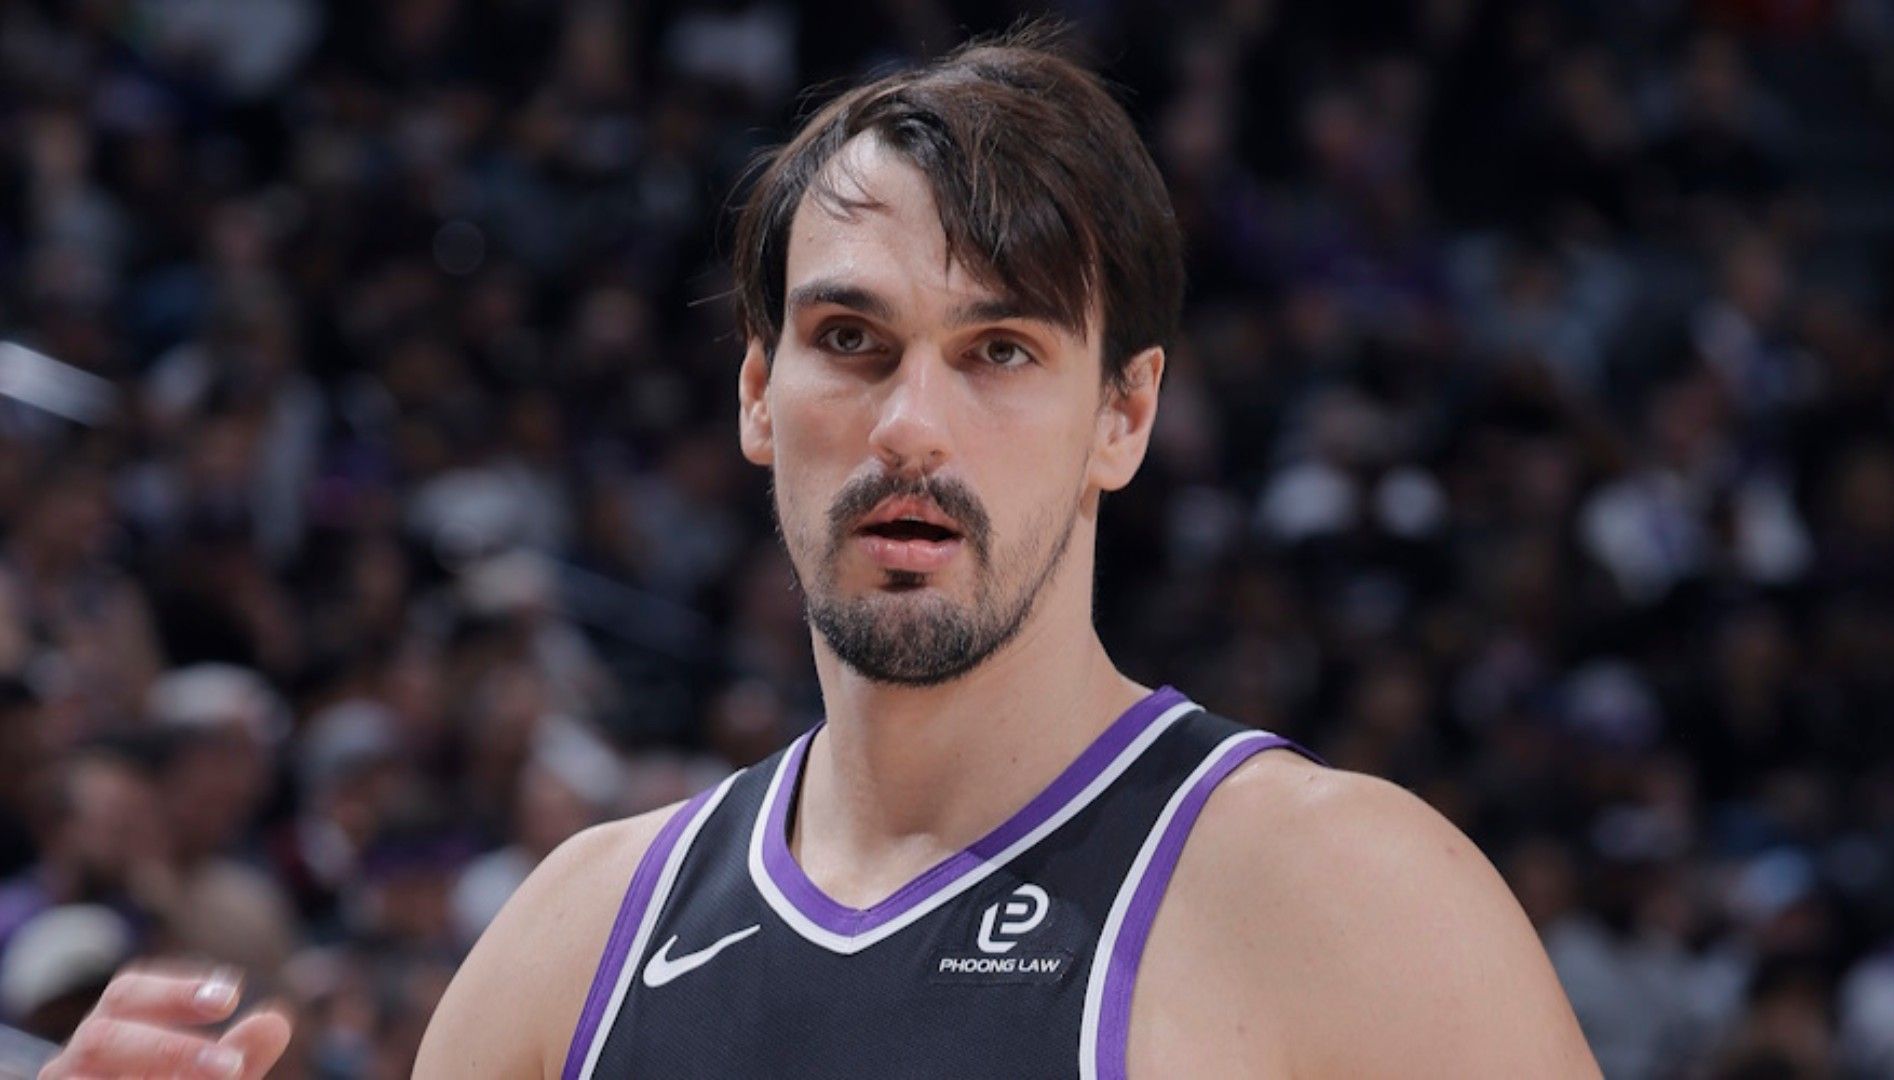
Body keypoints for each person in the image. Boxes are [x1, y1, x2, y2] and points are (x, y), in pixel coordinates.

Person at [42, 29, 1599, 1079]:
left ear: (1123, 418)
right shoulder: (571, 945)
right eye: (852, 339)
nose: (912, 425)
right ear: (756, 393)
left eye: (1000, 351)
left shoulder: (1342, 899)